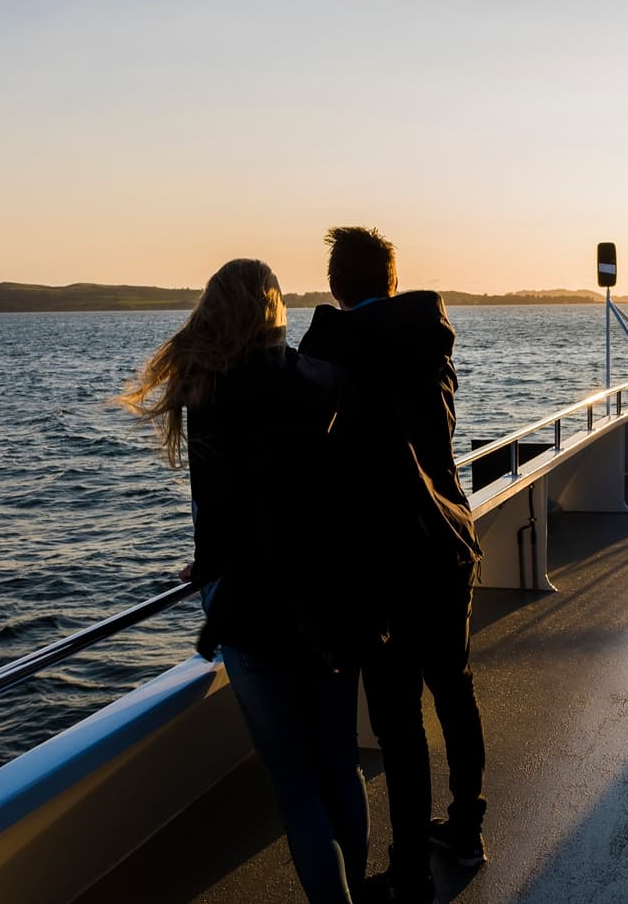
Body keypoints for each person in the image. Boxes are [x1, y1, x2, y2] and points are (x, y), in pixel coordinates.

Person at [120, 258, 382, 904]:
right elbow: (346, 495)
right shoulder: (327, 381)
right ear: (273, 309)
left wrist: (209, 564)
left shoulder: (205, 393)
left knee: (295, 787)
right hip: (330, 605)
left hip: (249, 610)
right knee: (340, 766)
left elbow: (223, 507)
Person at [298, 227, 487, 903]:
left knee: (400, 722)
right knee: (455, 689)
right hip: (448, 540)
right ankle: (465, 828)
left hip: (380, 563)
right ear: (392, 278)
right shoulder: (430, 336)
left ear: (336, 285)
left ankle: (410, 869)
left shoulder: (329, 354)